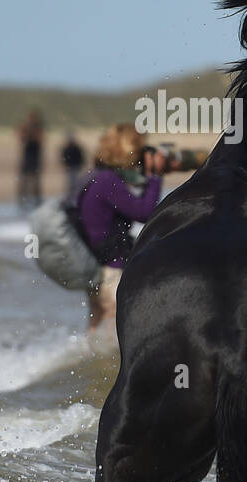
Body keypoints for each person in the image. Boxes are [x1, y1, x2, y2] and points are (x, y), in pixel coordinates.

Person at [75, 123, 181, 335]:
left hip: (96, 269)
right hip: (111, 271)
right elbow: (145, 212)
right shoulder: (108, 181)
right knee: (118, 338)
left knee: (97, 333)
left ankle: (87, 367)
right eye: (141, 149)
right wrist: (155, 175)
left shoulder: (96, 177)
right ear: (129, 151)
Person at [16, 109, 45, 209]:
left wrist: (31, 133)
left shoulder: (38, 128)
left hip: (35, 158)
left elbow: (40, 140)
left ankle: (36, 200)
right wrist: (26, 132)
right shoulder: (25, 127)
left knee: (35, 182)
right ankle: (22, 200)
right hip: (27, 157)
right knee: (24, 181)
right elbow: (21, 137)